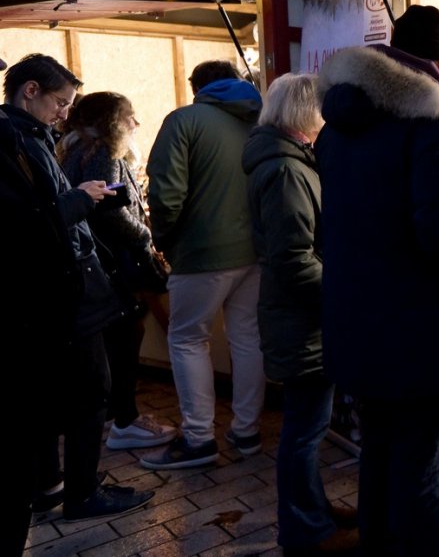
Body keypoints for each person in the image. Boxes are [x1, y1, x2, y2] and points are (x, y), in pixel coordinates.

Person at [315, 5, 439, 557]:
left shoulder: (338, 124)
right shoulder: (438, 125)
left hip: (354, 323)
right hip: (419, 329)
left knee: (379, 453)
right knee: (422, 465)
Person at [1, 55, 154, 534]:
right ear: (30, 90)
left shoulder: (31, 137)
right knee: (91, 389)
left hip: (56, 285)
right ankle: (82, 492)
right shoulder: (13, 140)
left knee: (51, 392)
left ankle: (51, 484)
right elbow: (30, 224)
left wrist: (82, 195)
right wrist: (80, 199)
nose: (66, 113)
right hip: (63, 286)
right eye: (60, 102)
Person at [243, 74, 358, 556]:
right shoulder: (287, 169)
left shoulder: (283, 159)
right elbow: (294, 259)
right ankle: (305, 529)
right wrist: (343, 295)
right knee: (304, 432)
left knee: (307, 428)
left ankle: (314, 511)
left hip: (298, 315)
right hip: (302, 319)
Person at [142, 61, 265, 471]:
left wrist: (166, 241)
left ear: (197, 88)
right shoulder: (260, 119)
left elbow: (165, 194)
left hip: (200, 252)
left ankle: (198, 439)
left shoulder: (184, 121)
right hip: (255, 251)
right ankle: (247, 431)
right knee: (247, 338)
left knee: (187, 340)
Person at [58, 91, 178, 452]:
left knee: (117, 337)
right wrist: (144, 234)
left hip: (97, 263)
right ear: (112, 122)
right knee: (126, 334)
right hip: (113, 265)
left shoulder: (77, 150)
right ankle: (125, 419)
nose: (135, 123)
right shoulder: (104, 153)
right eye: (129, 116)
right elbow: (109, 208)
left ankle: (116, 415)